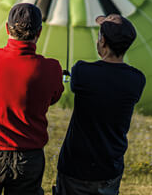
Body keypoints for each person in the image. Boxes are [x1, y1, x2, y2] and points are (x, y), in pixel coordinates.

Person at [0, 3, 64, 195]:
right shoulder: (52, 68)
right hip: (29, 157)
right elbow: (53, 98)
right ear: (39, 32)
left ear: (7, 28)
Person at [54, 14, 146, 195]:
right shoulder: (136, 79)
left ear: (102, 41)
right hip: (109, 167)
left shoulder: (82, 71)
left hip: (76, 166)